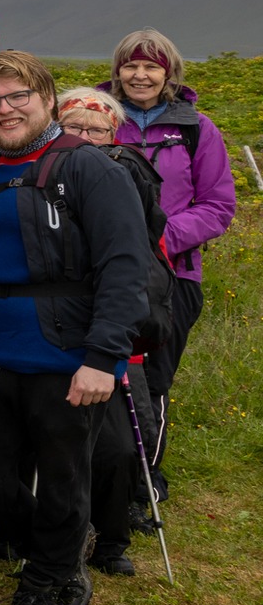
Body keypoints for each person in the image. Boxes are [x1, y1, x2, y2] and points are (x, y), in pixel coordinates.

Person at [0, 51, 152, 605]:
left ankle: (40, 589)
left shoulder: (90, 168)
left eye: (18, 97)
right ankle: (61, 552)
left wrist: (103, 357)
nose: (5, 109)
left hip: (64, 352)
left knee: (64, 478)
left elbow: (124, 265)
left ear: (46, 99)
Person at [100, 29, 237, 507]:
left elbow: (219, 205)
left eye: (151, 66)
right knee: (98, 368)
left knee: (153, 379)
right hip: (99, 272)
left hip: (174, 277)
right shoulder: (94, 118)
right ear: (117, 70)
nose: (140, 75)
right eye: (131, 65)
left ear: (168, 72)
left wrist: (158, 240)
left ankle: (143, 483)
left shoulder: (197, 128)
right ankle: (100, 476)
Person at [57, 86, 154, 576]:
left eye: (95, 129)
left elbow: (141, 259)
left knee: (115, 446)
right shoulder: (41, 173)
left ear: (113, 135)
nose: (85, 137)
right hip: (58, 328)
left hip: (113, 330)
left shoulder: (129, 175)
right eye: (74, 127)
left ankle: (112, 539)